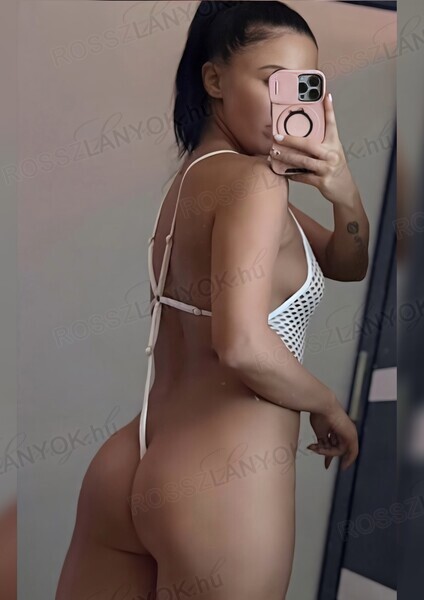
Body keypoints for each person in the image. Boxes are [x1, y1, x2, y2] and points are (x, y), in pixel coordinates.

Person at [56, 2, 367, 598]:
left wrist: (344, 193)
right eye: (270, 81)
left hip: (130, 462)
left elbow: (347, 263)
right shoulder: (255, 183)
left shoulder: (193, 182)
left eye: (302, 86)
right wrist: (328, 405)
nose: (286, 106)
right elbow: (242, 345)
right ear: (214, 79)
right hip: (222, 481)